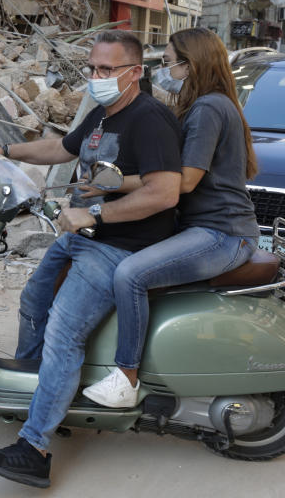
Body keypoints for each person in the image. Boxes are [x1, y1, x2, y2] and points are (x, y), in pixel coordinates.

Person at [0, 30, 183, 488]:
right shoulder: (104, 115)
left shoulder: (150, 119)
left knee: (64, 330)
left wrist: (93, 212)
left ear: (134, 73)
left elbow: (164, 192)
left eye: (107, 70)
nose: (97, 77)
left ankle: (34, 447)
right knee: (33, 303)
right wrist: (3, 151)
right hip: (85, 234)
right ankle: (34, 397)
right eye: (92, 68)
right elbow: (61, 149)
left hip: (120, 246)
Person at [80, 28, 260, 408]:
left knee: (130, 273)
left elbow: (183, 181)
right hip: (208, 227)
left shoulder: (209, 108)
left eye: (167, 62)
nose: (163, 70)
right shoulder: (207, 104)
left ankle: (126, 377)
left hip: (222, 232)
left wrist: (112, 186)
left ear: (188, 64)